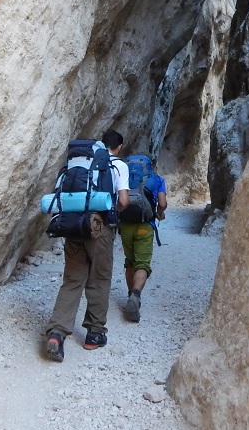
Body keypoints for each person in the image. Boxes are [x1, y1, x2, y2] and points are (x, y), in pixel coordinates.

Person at [45, 129, 129, 361]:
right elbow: (123, 200)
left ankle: (57, 333)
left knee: (72, 280)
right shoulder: (118, 166)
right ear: (119, 147)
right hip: (100, 226)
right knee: (99, 278)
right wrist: (112, 212)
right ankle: (94, 333)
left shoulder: (76, 164)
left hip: (74, 224)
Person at [120, 159, 167, 322]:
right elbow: (162, 203)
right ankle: (135, 295)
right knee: (143, 263)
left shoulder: (124, 177)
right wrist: (160, 213)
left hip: (125, 226)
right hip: (144, 226)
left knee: (130, 262)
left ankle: (130, 295)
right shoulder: (157, 179)